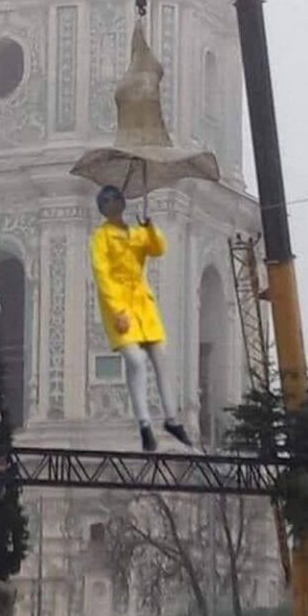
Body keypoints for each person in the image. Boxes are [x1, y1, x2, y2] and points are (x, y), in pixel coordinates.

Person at [90, 184, 192, 452]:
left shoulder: (135, 233)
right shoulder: (101, 237)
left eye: (116, 198)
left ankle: (171, 419)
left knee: (161, 359)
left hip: (144, 305)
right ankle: (145, 424)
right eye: (107, 200)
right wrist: (118, 311)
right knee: (135, 361)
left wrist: (148, 225)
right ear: (102, 208)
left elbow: (158, 249)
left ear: (123, 203)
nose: (112, 203)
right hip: (119, 306)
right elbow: (103, 275)